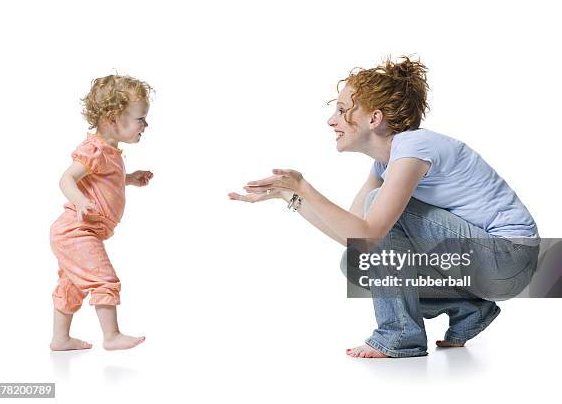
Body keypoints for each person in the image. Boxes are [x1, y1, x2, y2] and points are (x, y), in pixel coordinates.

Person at [229, 56, 540, 358]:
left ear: (374, 119)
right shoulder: (385, 164)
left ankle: (399, 335)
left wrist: (305, 187)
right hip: (484, 268)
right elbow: (354, 235)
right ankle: (470, 308)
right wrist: (292, 197)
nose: (331, 120)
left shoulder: (413, 147)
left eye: (340, 109)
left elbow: (371, 230)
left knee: (376, 209)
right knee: (354, 262)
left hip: (508, 257)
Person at [49, 75, 154, 351]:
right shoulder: (94, 150)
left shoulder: (110, 151)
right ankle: (111, 336)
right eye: (140, 119)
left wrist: (129, 179)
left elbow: (105, 179)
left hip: (80, 232)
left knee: (71, 285)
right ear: (112, 118)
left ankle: (60, 339)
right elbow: (66, 179)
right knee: (104, 278)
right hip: (76, 230)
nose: (146, 125)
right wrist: (81, 201)